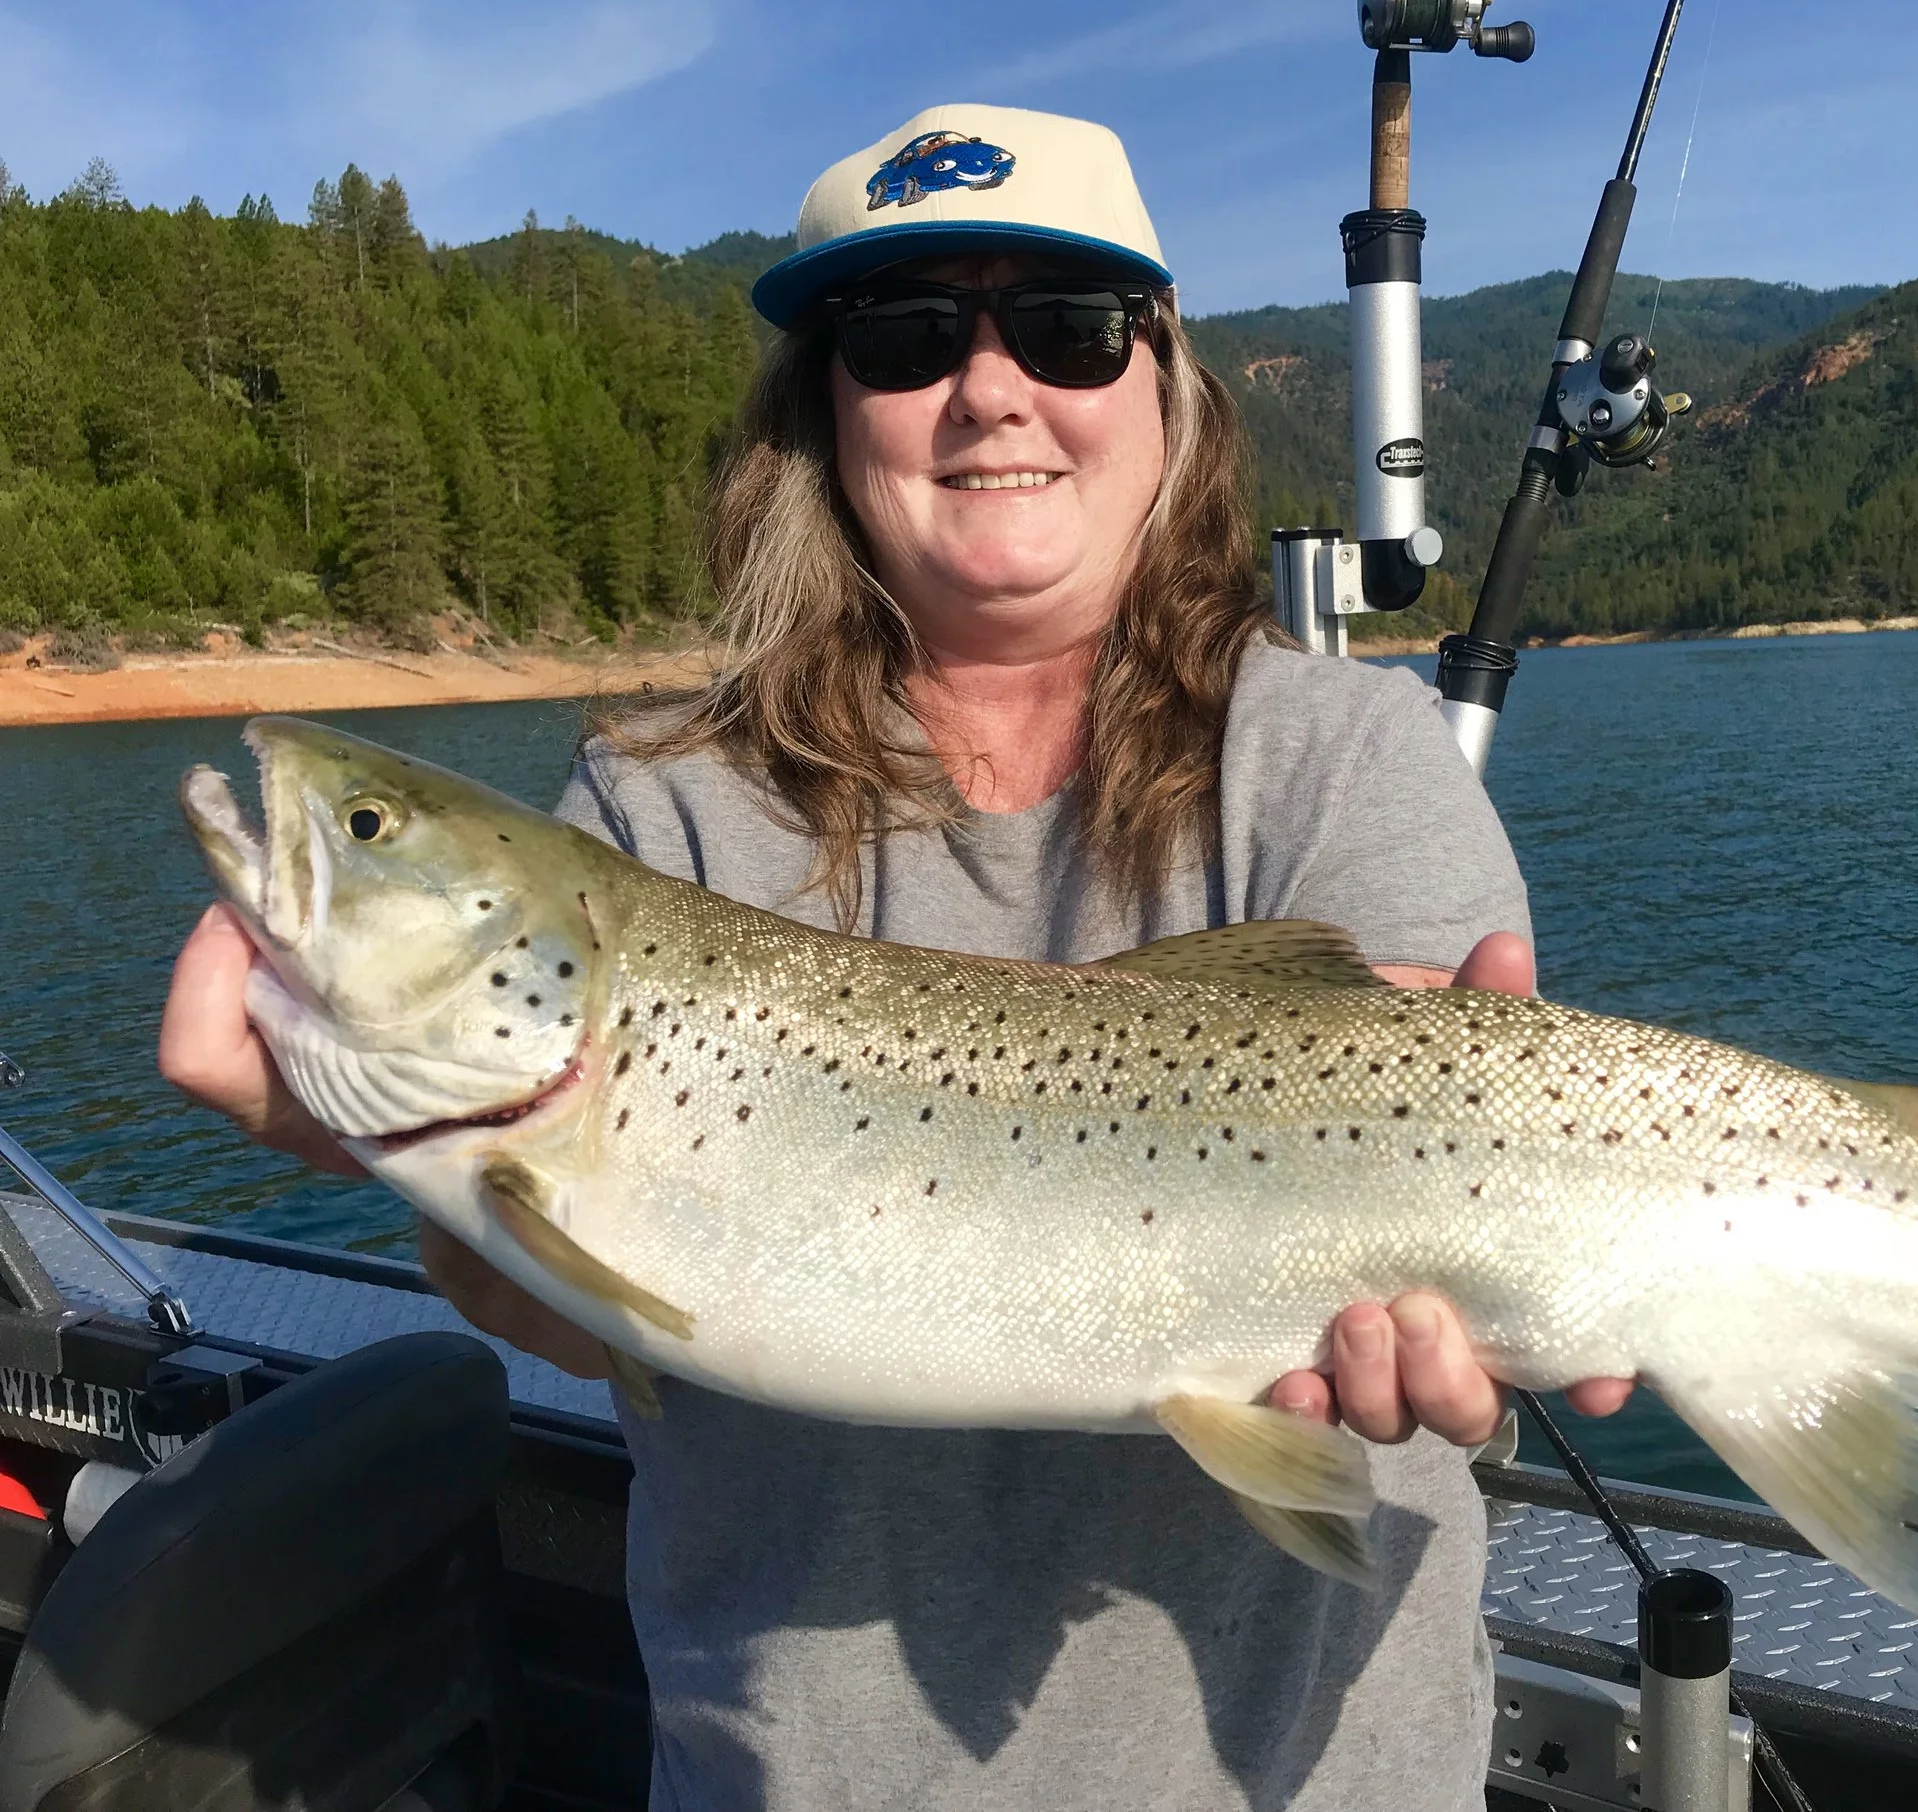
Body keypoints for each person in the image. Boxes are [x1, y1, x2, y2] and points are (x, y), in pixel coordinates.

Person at [160, 103, 1631, 1810]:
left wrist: (1457, 1303)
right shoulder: (655, 805)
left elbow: (1460, 1350)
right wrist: (363, 1125)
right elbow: (583, 1319)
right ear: (823, 421)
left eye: (1071, 328)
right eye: (909, 335)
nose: (990, 387)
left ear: (1167, 392)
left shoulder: (1348, 759)